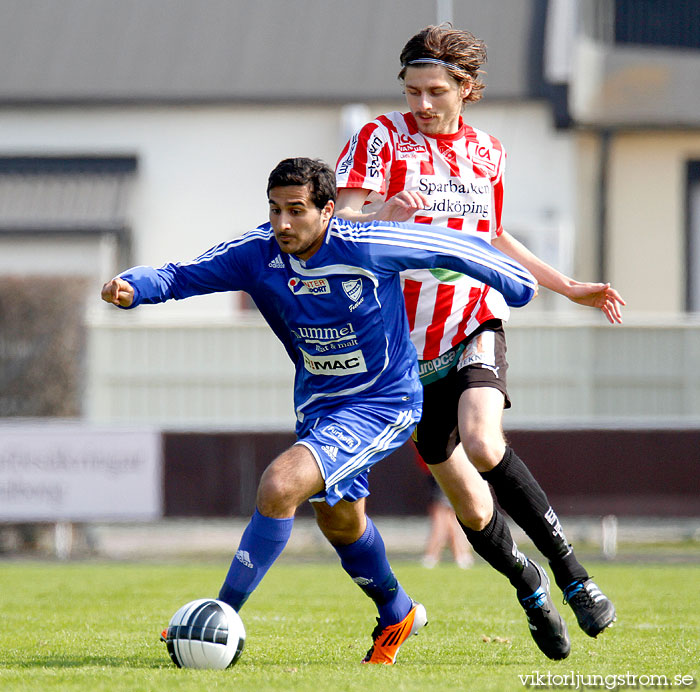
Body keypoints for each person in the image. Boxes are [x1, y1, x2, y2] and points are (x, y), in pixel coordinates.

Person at [101, 157, 536, 664]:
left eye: (297, 211)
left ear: (328, 210)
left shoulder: (364, 244)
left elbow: (451, 245)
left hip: (385, 402)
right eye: (275, 210)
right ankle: (398, 611)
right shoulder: (256, 253)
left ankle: (218, 617)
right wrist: (133, 287)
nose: (283, 224)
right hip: (319, 406)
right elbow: (180, 275)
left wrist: (517, 282)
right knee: (341, 523)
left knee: (279, 483)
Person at [335, 24, 625, 660]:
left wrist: (567, 285)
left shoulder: (488, 152)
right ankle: (530, 588)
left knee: (483, 439)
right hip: (403, 345)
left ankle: (575, 575)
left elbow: (493, 238)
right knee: (466, 499)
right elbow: (341, 230)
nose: (421, 103)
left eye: (435, 90)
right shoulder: (378, 139)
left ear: (466, 89)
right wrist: (385, 217)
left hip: (473, 315)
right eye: (412, 90)